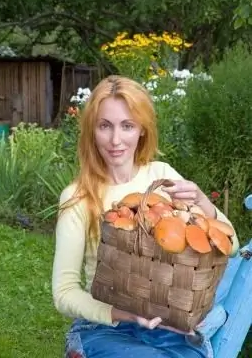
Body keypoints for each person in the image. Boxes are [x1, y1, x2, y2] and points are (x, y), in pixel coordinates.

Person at [52, 75, 239, 358]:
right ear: (92, 130)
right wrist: (127, 314)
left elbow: (232, 245)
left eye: (127, 126)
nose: (116, 140)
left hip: (170, 327)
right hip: (106, 326)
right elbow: (64, 293)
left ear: (142, 130)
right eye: (105, 126)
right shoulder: (79, 197)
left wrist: (202, 202)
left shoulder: (161, 176)